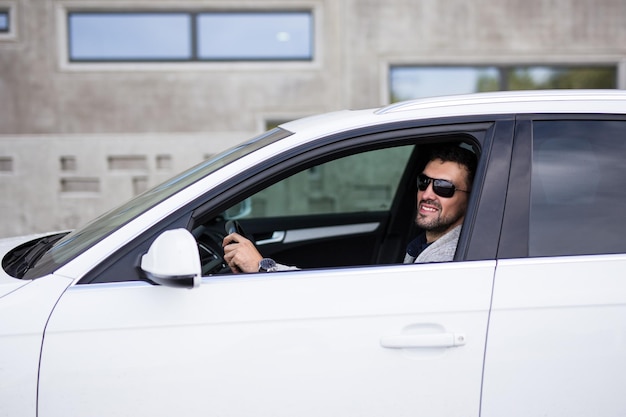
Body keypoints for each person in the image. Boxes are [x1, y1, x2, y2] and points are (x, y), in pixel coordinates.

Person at [222, 144, 476, 273]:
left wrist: (263, 267)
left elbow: (344, 301)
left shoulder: (444, 260)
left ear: (469, 198)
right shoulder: (427, 245)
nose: (428, 193)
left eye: (444, 187)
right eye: (424, 182)